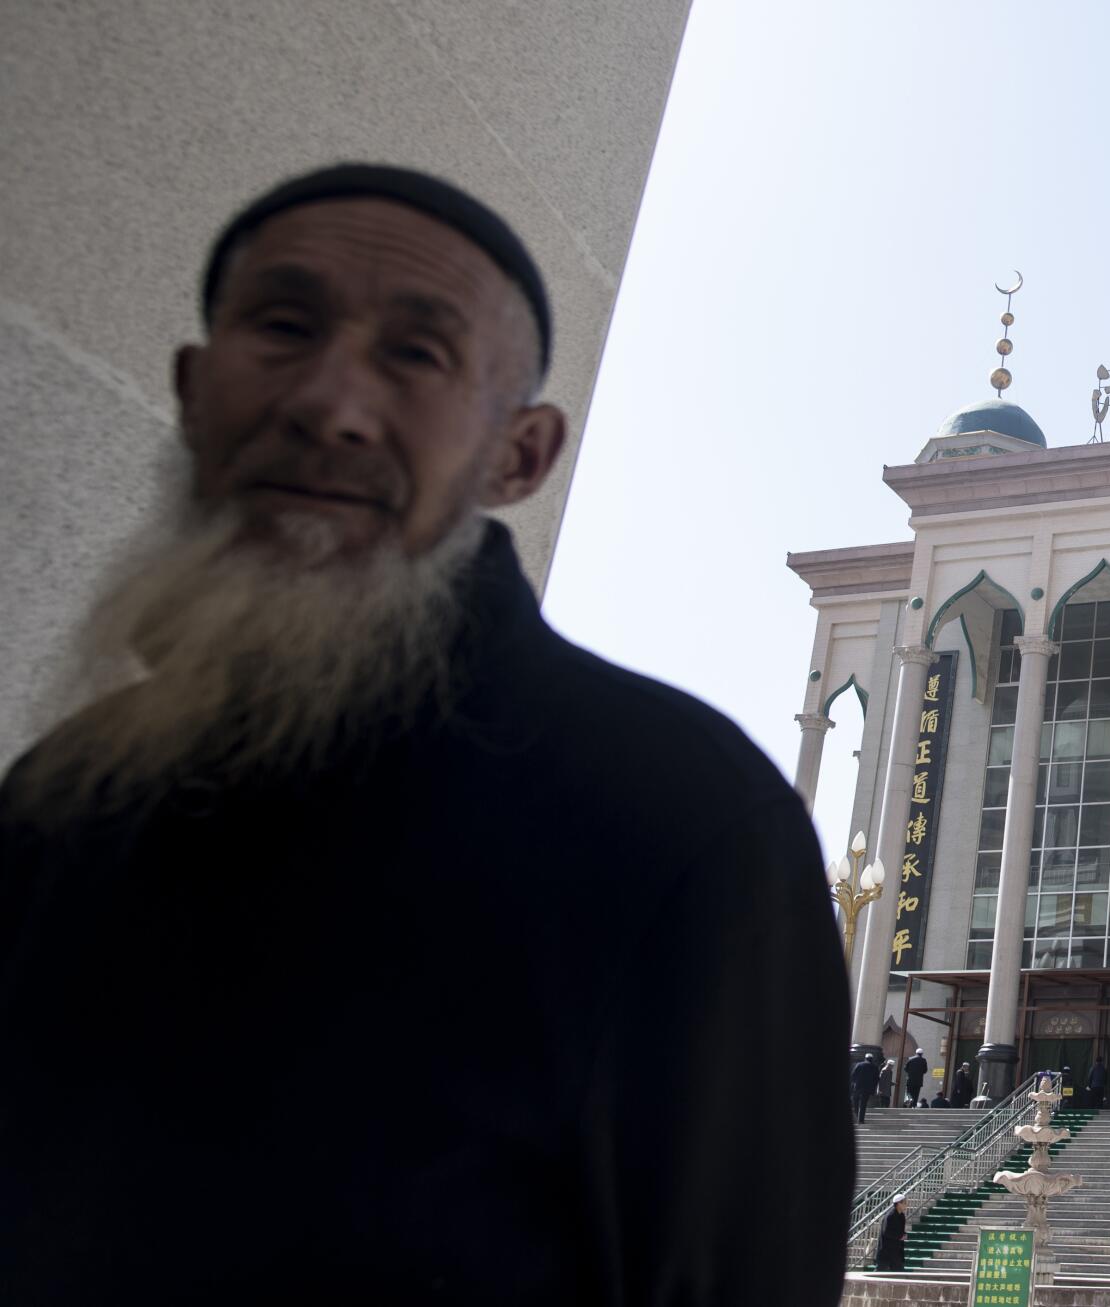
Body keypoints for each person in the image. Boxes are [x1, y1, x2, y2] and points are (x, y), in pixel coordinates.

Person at [0, 164, 857, 1306]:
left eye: (416, 354)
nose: (328, 403)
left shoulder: (679, 820)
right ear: (195, 390)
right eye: (284, 326)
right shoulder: (64, 796)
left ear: (521, 453)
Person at [875, 1195, 908, 1272]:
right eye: (905, 1203)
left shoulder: (901, 1216)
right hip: (886, 1250)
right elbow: (886, 1232)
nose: (906, 1205)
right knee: (879, 1272)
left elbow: (900, 1231)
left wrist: (904, 1234)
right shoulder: (890, 1216)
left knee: (899, 1273)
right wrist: (900, 1236)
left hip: (896, 1251)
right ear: (899, 1204)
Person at [851, 1054, 881, 1125]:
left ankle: (856, 1118)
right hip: (867, 1089)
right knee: (863, 1105)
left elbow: (853, 1075)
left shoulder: (859, 1065)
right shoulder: (875, 1067)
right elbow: (876, 1079)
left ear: (865, 1058)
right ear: (872, 1059)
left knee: (856, 1103)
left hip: (858, 1087)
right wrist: (873, 1088)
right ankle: (861, 1120)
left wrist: (854, 1084)